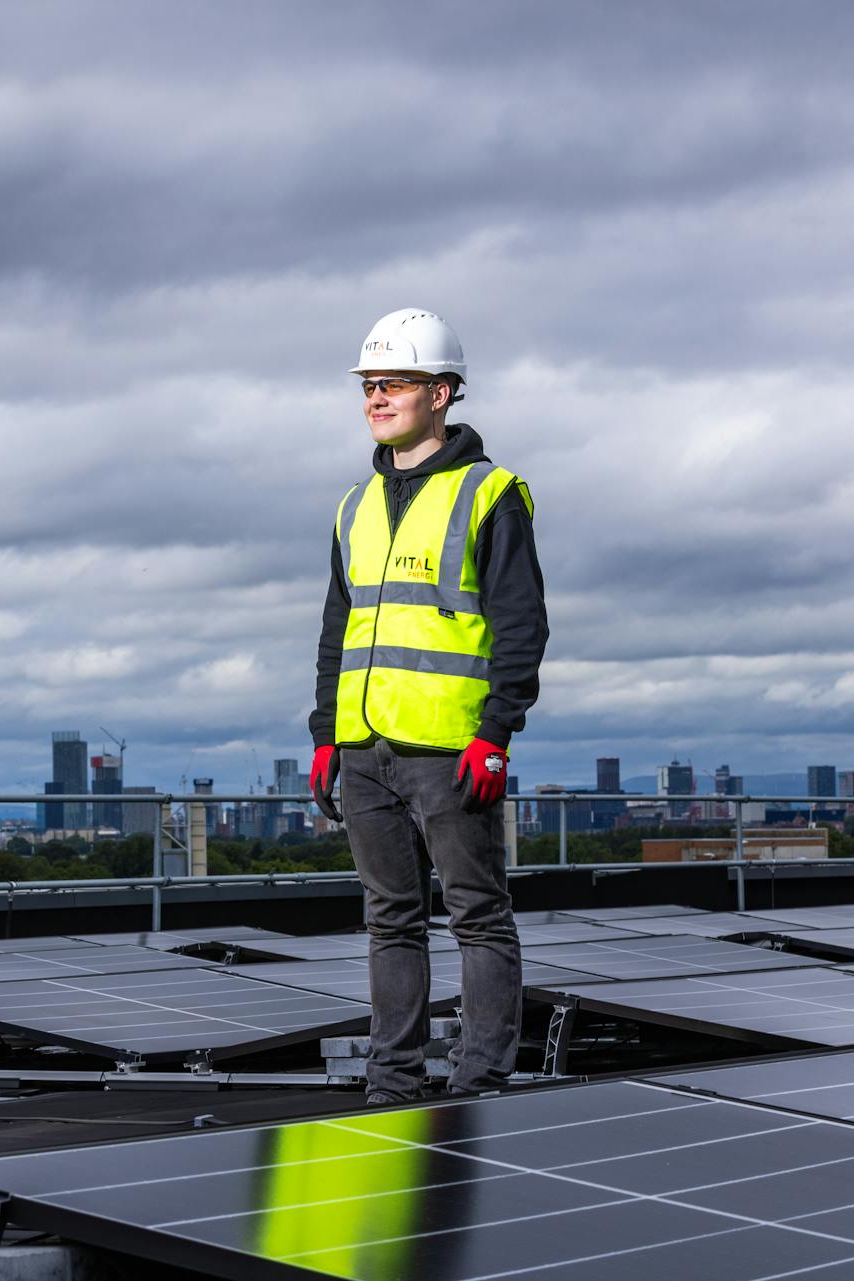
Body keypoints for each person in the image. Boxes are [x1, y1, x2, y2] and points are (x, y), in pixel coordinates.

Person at [307, 307, 549, 1103]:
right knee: (391, 923)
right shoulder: (355, 505)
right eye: (369, 385)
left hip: (451, 751)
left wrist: (495, 731)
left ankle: (479, 1082)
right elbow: (338, 625)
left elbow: (522, 622)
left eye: (395, 383)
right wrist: (324, 733)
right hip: (364, 748)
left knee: (477, 914)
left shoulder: (491, 493)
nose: (377, 397)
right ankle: (393, 1084)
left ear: (441, 393)